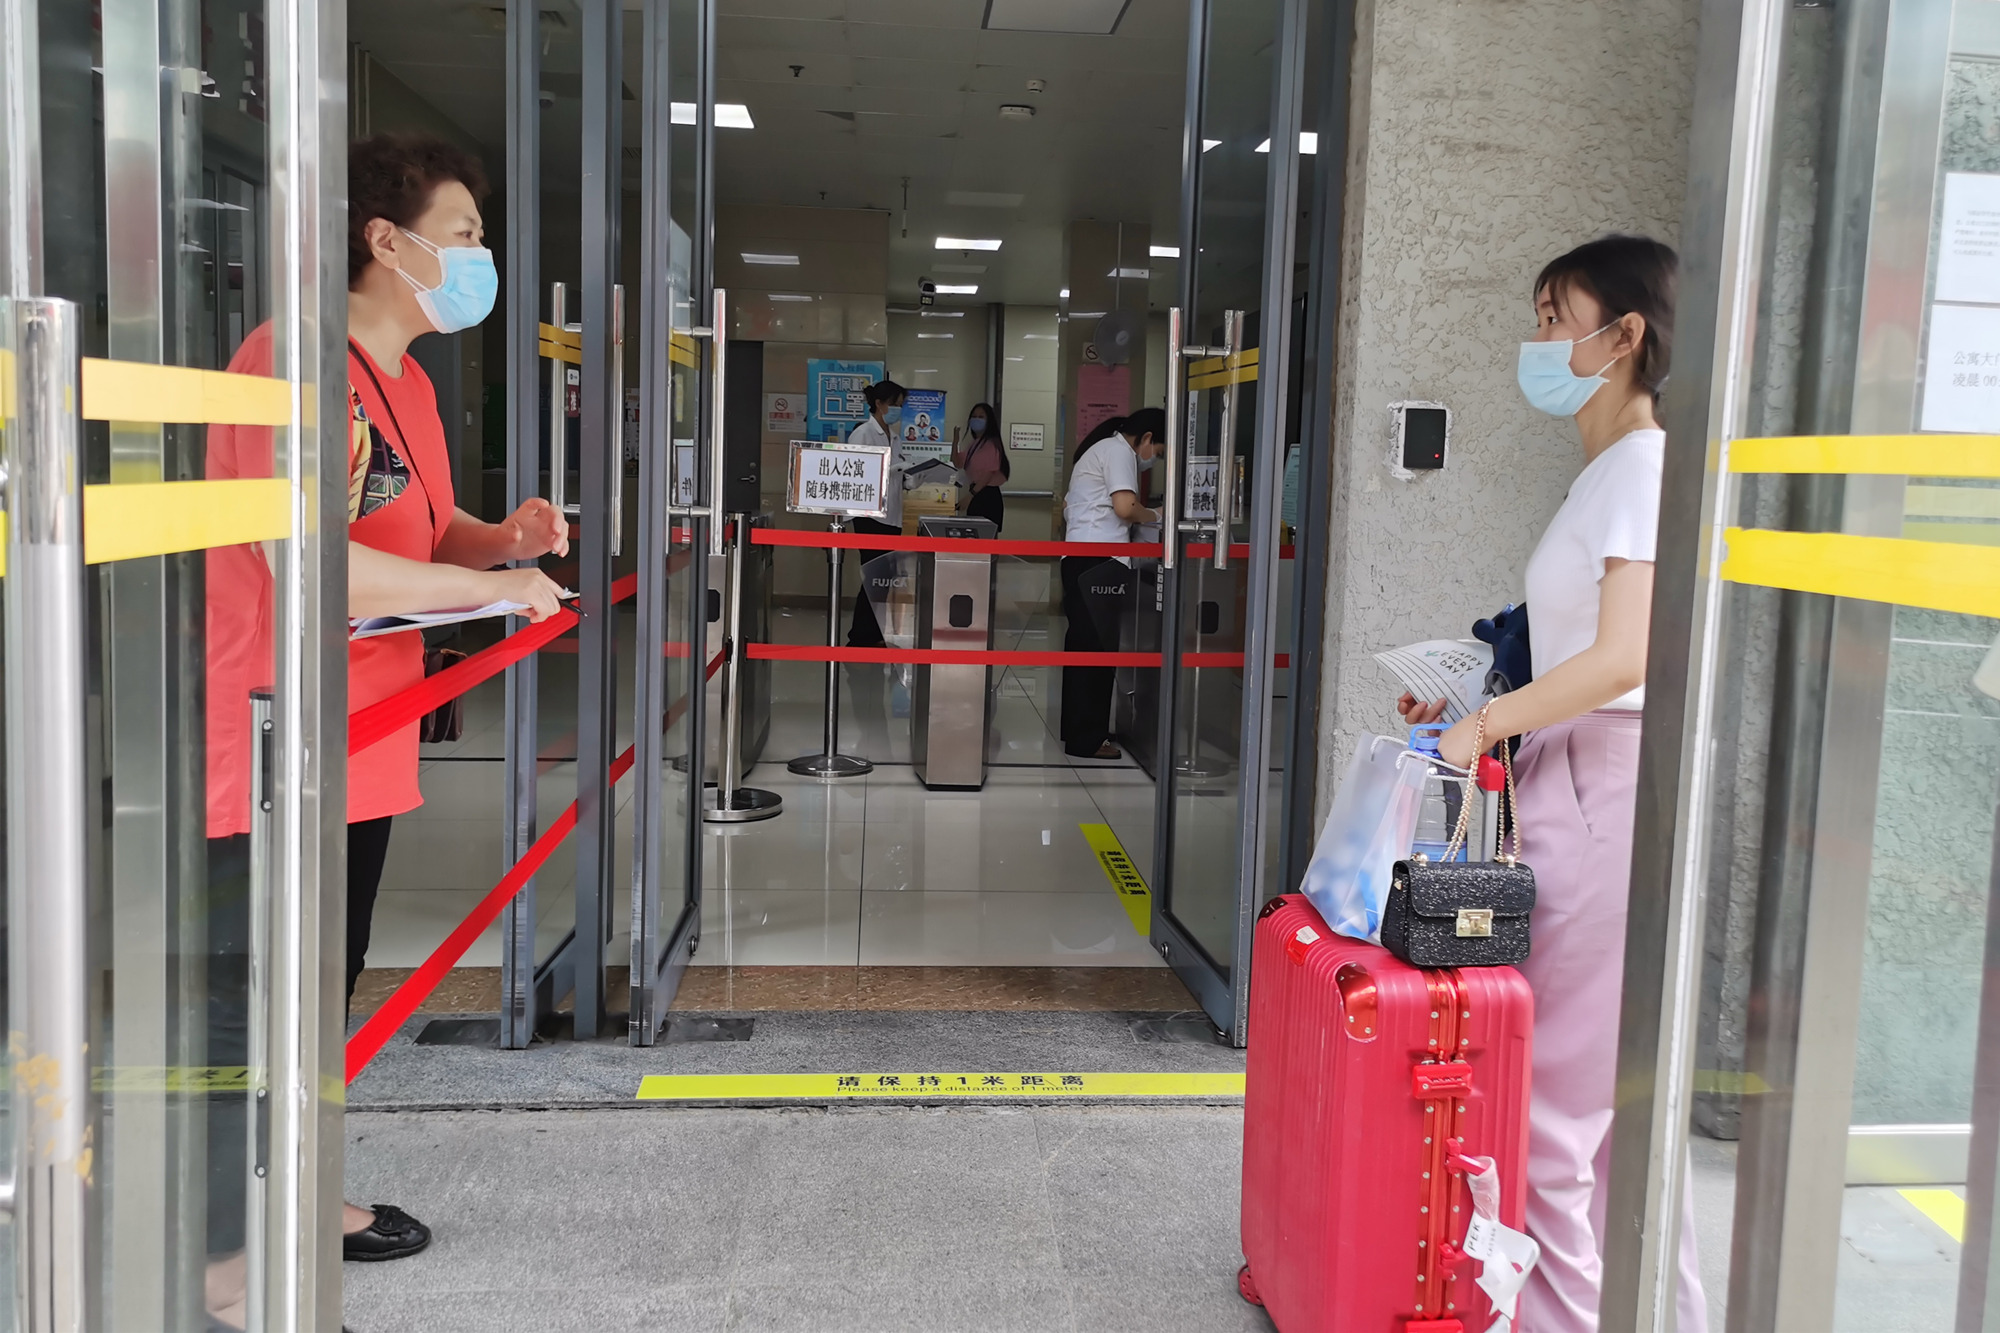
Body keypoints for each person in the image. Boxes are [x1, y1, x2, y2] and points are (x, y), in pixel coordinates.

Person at [201, 132, 568, 1324]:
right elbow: (311, 561)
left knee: (326, 979)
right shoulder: (292, 363)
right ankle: (223, 1257)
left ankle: (303, 1190)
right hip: (276, 739)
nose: (479, 258)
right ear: (385, 241)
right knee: (252, 994)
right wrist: (494, 589)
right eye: (464, 235)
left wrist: (500, 542)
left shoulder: (402, 382)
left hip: (366, 734)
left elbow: (417, 528)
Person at [1397, 234, 1706, 1333]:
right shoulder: (1609, 471)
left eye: (1552, 318)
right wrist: (1471, 694)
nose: (1535, 341)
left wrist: (1487, 723)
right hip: (1583, 776)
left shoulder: (1641, 467)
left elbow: (1623, 659)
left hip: (1600, 784)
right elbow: (1582, 644)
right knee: (1612, 1123)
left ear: (1623, 336)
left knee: (1549, 1119)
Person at [1059, 408, 1164, 760]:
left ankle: (1078, 732)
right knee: (1096, 651)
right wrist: (1155, 515)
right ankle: (1089, 739)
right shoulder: (1119, 451)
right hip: (1100, 562)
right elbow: (1125, 507)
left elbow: (1071, 505)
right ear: (1146, 438)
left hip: (1080, 559)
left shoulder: (1099, 450)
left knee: (1083, 646)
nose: (1153, 459)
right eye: (1158, 451)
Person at [846, 379, 908, 649]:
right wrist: (889, 472)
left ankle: (872, 633)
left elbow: (899, 474)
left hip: (892, 517)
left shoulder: (894, 437)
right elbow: (855, 473)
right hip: (870, 516)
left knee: (884, 579)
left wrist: (910, 478)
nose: (897, 410)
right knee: (873, 576)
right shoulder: (863, 434)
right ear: (879, 403)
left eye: (901, 405)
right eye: (894, 404)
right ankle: (860, 636)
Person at [955, 401, 1010, 532]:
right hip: (976, 493)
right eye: (974, 416)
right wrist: (955, 442)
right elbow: (958, 462)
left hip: (987, 496)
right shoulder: (974, 444)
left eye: (981, 417)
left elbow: (988, 474)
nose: (976, 420)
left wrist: (970, 496)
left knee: (984, 536)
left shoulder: (992, 444)